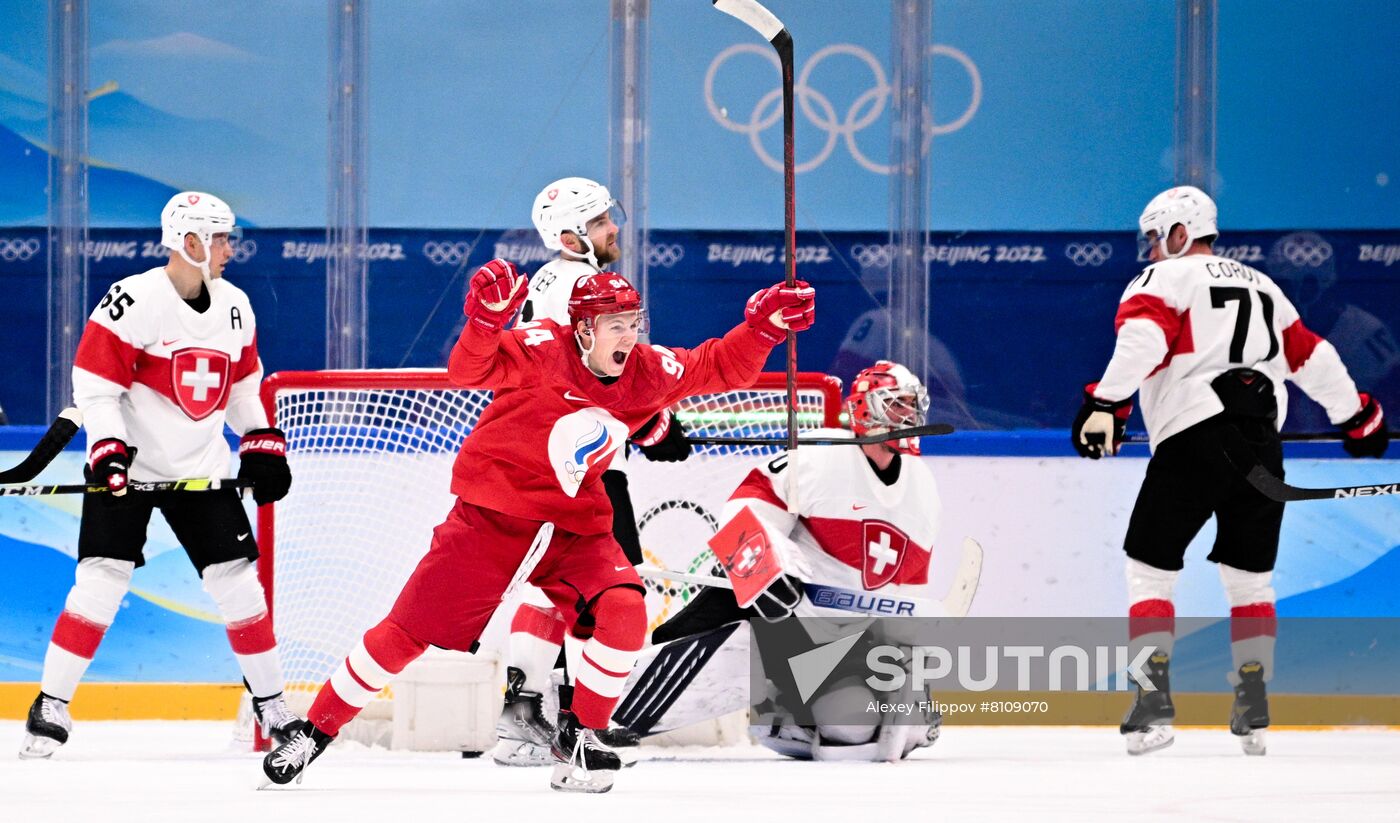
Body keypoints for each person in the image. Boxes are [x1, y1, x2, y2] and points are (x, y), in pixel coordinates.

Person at [261, 260, 814, 792]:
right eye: (614, 326)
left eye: (632, 324)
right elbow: (468, 369)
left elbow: (716, 365)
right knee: (405, 635)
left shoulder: (646, 370)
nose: (628, 336)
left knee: (624, 607)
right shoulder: (542, 349)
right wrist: (483, 321)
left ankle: (582, 733)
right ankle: (315, 732)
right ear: (581, 330)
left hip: (576, 528)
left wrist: (761, 330)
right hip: (491, 520)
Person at [1071, 186, 1388, 756]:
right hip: (1263, 445)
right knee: (1250, 581)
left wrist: (1105, 403)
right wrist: (1356, 416)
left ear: (1179, 231)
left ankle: (1152, 700)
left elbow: (1142, 339)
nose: (1150, 249)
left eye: (1154, 236)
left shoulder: (1163, 281)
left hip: (1193, 435)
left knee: (1150, 568)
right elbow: (1313, 358)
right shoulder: (1265, 286)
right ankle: (1253, 699)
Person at [20, 192, 297, 759]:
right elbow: (95, 388)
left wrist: (261, 441)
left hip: (200, 468)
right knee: (102, 578)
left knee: (239, 585)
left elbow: (243, 387)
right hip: (129, 463)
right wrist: (109, 450)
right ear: (189, 242)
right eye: (219, 238)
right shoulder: (133, 299)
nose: (228, 249)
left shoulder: (237, 306)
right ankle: (51, 702)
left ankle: (271, 701)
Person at [647, 360, 944, 761]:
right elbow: (741, 511)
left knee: (897, 724)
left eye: (911, 404)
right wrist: (768, 569)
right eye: (895, 404)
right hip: (790, 623)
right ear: (863, 410)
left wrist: (904, 657)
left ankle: (807, 716)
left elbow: (903, 594)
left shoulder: (922, 486)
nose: (909, 415)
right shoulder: (820, 456)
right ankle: (781, 711)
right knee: (850, 723)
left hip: (852, 640)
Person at [494, 177, 692, 768]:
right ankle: (583, 729)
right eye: (602, 222)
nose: (615, 229)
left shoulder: (551, 280)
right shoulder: (581, 286)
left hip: (558, 462)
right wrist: (655, 425)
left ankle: (522, 727)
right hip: (586, 468)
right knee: (607, 594)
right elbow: (598, 379)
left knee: (552, 590)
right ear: (568, 235)